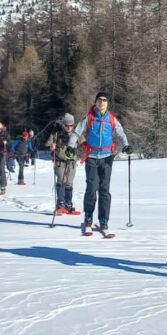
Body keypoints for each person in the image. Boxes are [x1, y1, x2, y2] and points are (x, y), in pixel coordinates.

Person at [68, 91, 130, 236]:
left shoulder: (111, 119)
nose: (102, 102)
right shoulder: (89, 117)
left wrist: (126, 145)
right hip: (92, 157)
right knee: (91, 188)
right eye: (99, 100)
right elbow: (77, 132)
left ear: (107, 103)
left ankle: (104, 221)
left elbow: (120, 133)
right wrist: (71, 146)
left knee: (104, 190)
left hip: (107, 157)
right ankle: (88, 219)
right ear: (95, 102)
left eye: (104, 100)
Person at [47, 113, 81, 215]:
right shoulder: (57, 133)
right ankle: (60, 204)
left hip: (72, 162)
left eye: (71, 125)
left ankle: (68, 205)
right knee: (61, 180)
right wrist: (52, 146)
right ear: (63, 125)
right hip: (60, 161)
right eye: (66, 125)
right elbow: (49, 142)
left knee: (69, 182)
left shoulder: (76, 133)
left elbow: (84, 142)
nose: (69, 127)